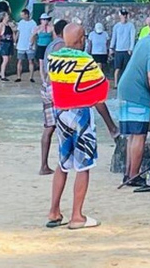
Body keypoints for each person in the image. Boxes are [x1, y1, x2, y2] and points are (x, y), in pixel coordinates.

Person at [45, 23, 118, 230]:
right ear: (81, 40)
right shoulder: (86, 60)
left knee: (63, 163)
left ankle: (54, 211)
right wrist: (111, 125)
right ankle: (77, 216)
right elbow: (100, 92)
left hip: (61, 114)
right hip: (80, 115)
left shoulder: (54, 59)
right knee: (83, 166)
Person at [118, 18, 150, 186]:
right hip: (138, 93)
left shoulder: (143, 41)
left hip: (125, 90)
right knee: (140, 135)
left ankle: (128, 174)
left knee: (132, 136)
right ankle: (134, 175)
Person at [39, 19, 68, 175]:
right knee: (66, 125)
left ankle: (43, 165)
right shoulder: (62, 45)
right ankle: (65, 163)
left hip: (46, 86)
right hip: (57, 88)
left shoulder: (50, 45)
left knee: (49, 127)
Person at [110, 9, 135, 89]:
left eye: (125, 15)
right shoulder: (116, 26)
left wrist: (131, 48)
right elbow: (114, 37)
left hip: (126, 50)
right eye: (123, 15)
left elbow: (132, 37)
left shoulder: (131, 26)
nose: (124, 16)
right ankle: (116, 84)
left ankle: (126, 84)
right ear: (120, 16)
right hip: (118, 50)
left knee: (127, 68)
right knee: (117, 68)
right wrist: (111, 47)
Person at [15, 9, 37, 83]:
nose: (21, 16)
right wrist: (15, 41)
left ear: (26, 15)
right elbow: (18, 32)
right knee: (19, 60)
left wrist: (32, 43)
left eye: (22, 15)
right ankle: (18, 76)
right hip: (21, 45)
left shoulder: (33, 23)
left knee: (30, 61)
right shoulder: (21, 22)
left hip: (29, 45)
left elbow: (34, 34)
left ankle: (31, 77)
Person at [33, 13, 53, 82]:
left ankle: (47, 77)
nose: (45, 21)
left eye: (46, 20)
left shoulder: (51, 28)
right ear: (41, 20)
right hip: (41, 47)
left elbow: (54, 37)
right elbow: (32, 36)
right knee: (41, 63)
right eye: (44, 20)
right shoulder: (38, 28)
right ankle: (43, 79)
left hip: (48, 47)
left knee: (48, 63)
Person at [0, 12, 14, 81]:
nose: (8, 17)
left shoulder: (8, 25)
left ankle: (1, 72)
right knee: (5, 59)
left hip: (9, 43)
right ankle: (2, 74)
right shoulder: (1, 25)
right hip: (4, 44)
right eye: (7, 15)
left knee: (8, 58)